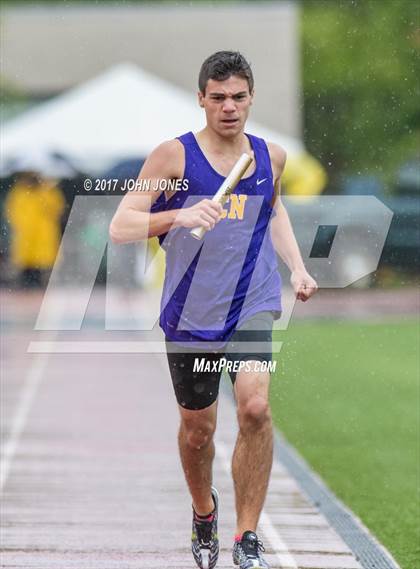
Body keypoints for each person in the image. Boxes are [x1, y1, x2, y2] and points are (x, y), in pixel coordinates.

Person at [110, 51, 318, 569]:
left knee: (255, 408)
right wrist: (180, 214)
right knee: (198, 429)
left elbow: (273, 210)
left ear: (251, 99)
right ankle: (205, 514)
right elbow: (121, 225)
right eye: (218, 97)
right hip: (191, 311)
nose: (229, 107)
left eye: (239, 97)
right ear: (201, 98)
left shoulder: (270, 156)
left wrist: (296, 267)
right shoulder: (172, 159)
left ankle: (247, 539)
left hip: (252, 298)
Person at [5, 171, 65, 288]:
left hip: (43, 236)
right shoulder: (19, 193)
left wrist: (45, 189)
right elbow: (12, 212)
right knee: (26, 265)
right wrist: (21, 225)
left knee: (42, 265)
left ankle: (37, 286)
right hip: (25, 235)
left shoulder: (48, 191)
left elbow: (56, 209)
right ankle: (27, 286)